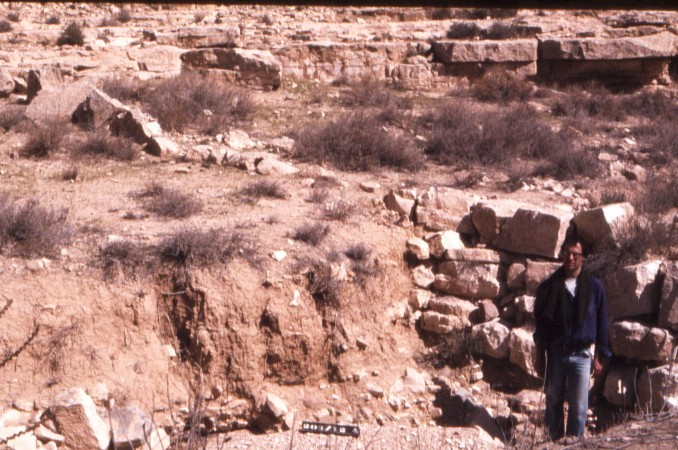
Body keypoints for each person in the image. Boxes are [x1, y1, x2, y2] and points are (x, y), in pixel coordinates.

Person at [533, 233, 611, 441]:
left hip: (582, 354)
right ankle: (553, 440)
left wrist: (600, 356)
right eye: (567, 253)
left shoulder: (594, 287)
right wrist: (539, 355)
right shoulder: (548, 288)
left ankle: (574, 442)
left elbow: (602, 323)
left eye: (575, 254)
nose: (570, 258)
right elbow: (540, 327)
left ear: (583, 257)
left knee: (579, 404)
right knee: (554, 399)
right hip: (556, 352)